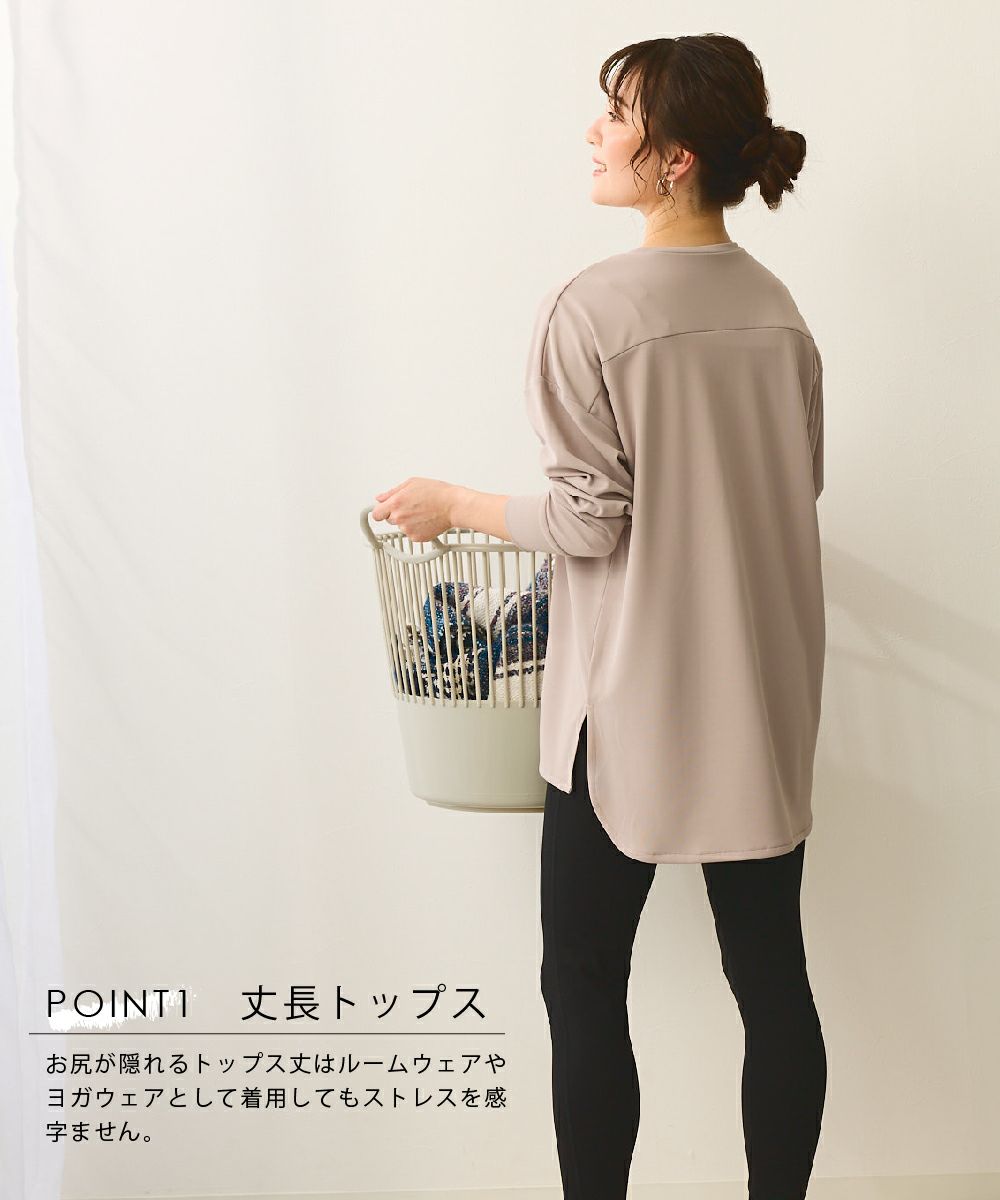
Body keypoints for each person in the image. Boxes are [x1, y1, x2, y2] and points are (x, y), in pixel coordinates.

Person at [373, 33, 827, 1200]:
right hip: (762, 700)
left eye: (616, 114)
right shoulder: (778, 312)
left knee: (580, 978)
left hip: (620, 706)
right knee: (771, 980)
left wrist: (454, 505)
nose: (594, 130)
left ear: (674, 159)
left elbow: (589, 523)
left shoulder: (589, 309)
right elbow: (796, 490)